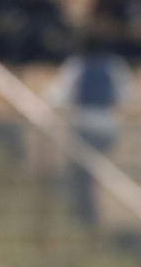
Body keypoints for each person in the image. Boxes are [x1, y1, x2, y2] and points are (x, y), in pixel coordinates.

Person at [46, 30, 134, 227]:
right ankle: (85, 216)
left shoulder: (77, 66)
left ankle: (84, 217)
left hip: (85, 125)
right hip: (108, 125)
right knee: (85, 173)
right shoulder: (115, 66)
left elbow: (57, 97)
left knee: (82, 174)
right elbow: (127, 98)